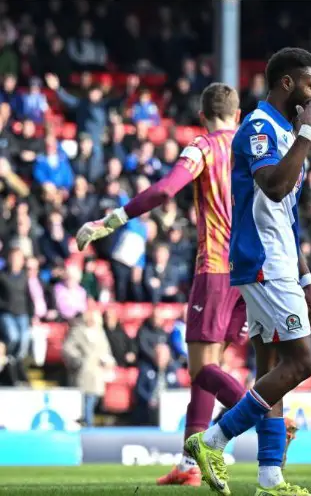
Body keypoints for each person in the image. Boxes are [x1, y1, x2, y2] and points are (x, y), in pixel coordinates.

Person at [75, 83, 260, 487]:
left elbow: (163, 190)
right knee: (210, 367)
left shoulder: (204, 146)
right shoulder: (251, 147)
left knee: (199, 367)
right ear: (238, 113)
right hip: (248, 274)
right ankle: (191, 464)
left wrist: (112, 220)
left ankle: (266, 420)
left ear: (201, 114)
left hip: (214, 269)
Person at [185, 47, 311, 496]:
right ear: (287, 83)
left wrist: (307, 280)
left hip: (279, 261)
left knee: (271, 367)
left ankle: (269, 477)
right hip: (263, 262)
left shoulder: (283, 130)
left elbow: (286, 212)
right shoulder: (261, 127)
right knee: (301, 362)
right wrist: (307, 134)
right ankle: (212, 441)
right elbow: (273, 184)